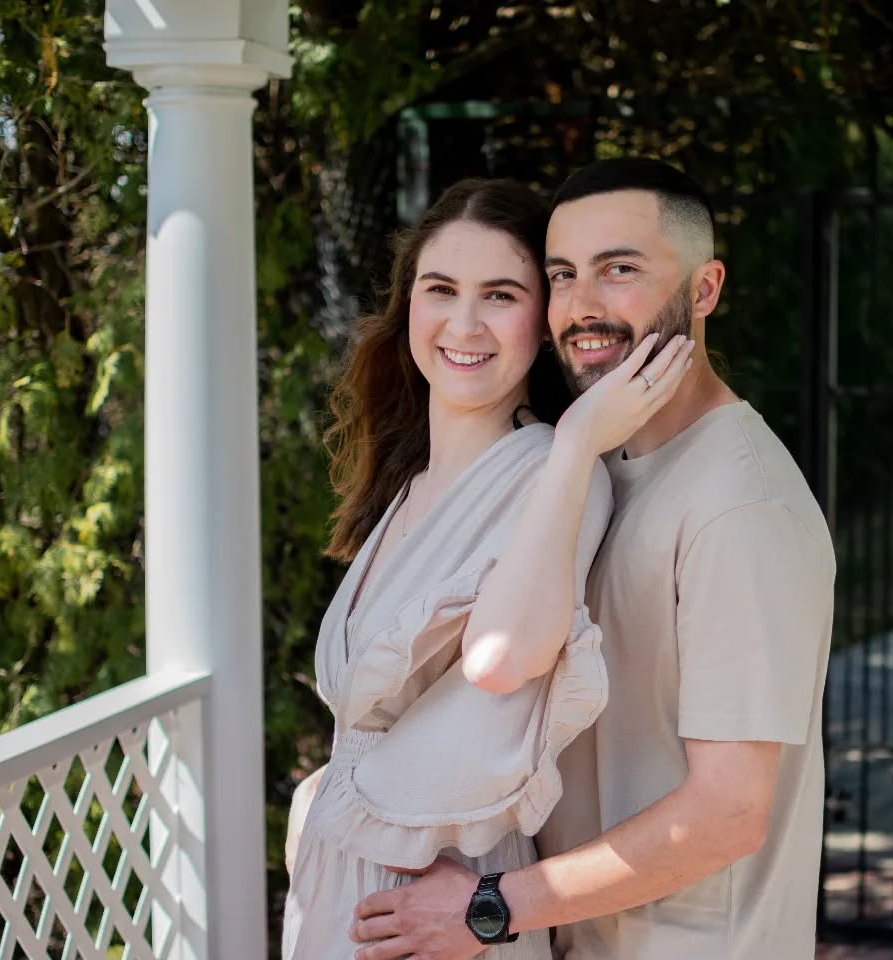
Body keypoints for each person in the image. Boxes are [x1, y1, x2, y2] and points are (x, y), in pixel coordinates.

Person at [348, 159, 837, 960]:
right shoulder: (595, 464)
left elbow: (728, 812)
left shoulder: (741, 508)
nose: (583, 306)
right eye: (563, 275)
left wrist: (487, 908)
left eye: (620, 270)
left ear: (705, 289)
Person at [282, 177, 695, 960]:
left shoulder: (553, 471)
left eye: (500, 295)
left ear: (543, 324)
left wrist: (578, 441)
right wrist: (316, 806)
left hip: (439, 904)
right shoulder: (405, 484)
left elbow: (504, 659)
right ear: (409, 303)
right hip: (344, 883)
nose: (464, 323)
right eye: (441, 289)